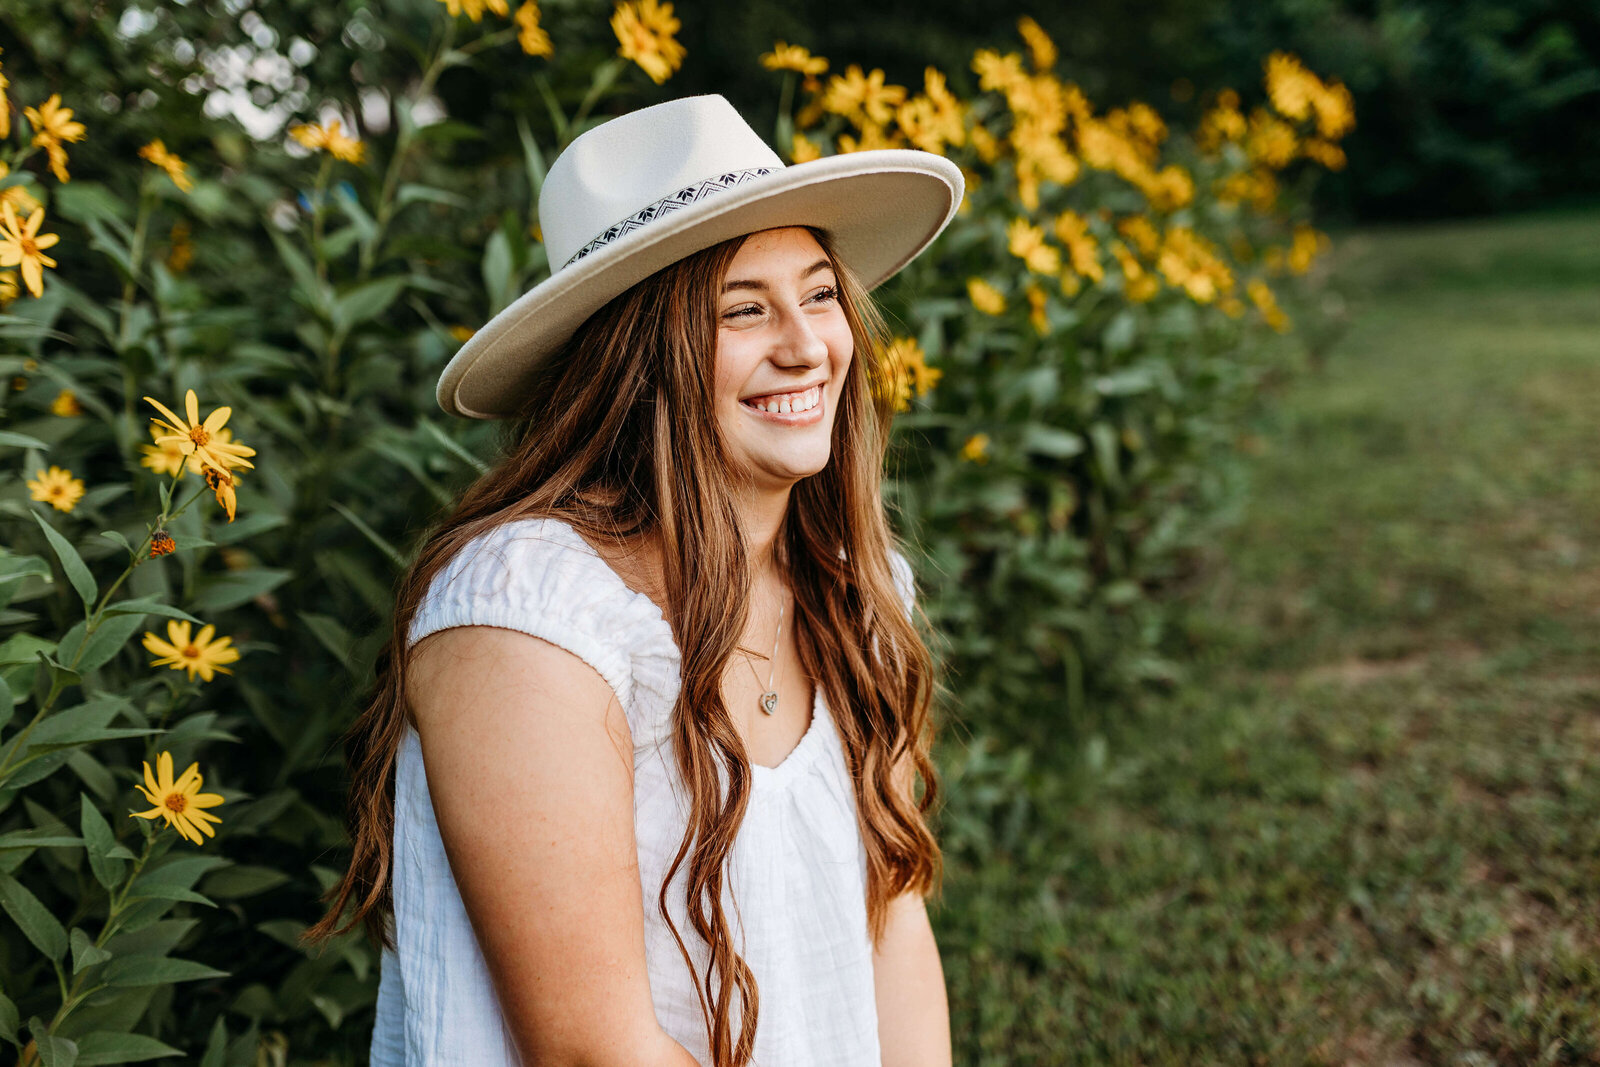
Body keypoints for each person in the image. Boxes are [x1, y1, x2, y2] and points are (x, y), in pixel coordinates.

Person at [304, 94, 963, 1066]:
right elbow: (591, 1050)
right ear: (638, 359)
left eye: (820, 293)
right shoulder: (529, 615)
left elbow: (892, 929)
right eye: (743, 308)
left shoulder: (856, 588)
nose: (805, 343)